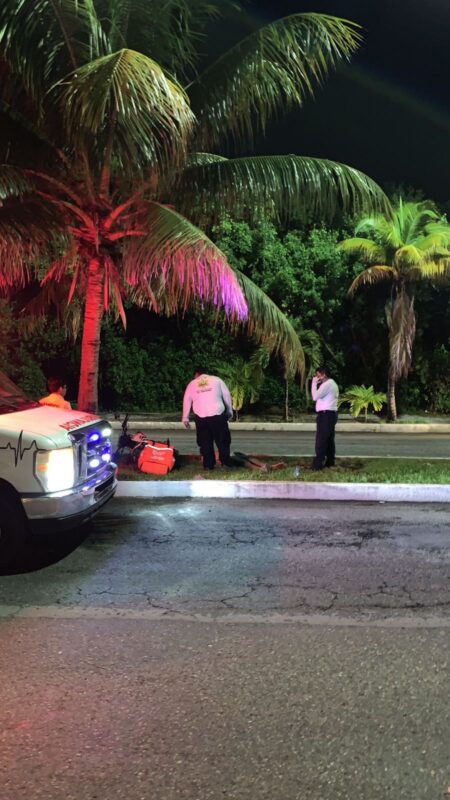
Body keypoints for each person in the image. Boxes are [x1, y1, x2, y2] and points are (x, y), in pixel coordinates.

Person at [182, 369, 234, 470]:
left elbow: (187, 400)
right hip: (218, 414)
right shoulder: (217, 380)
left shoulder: (192, 383)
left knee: (205, 442)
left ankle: (208, 465)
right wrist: (229, 411)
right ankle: (226, 464)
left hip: (201, 416)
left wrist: (185, 417)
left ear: (196, 374)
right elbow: (226, 395)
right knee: (223, 440)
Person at [311, 366, 339, 470]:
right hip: (330, 414)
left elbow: (315, 397)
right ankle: (330, 461)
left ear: (324, 374)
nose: (317, 377)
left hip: (325, 415)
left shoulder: (326, 385)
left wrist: (314, 383)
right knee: (329, 440)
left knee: (321, 440)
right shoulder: (332, 383)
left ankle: (318, 464)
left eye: (318, 375)